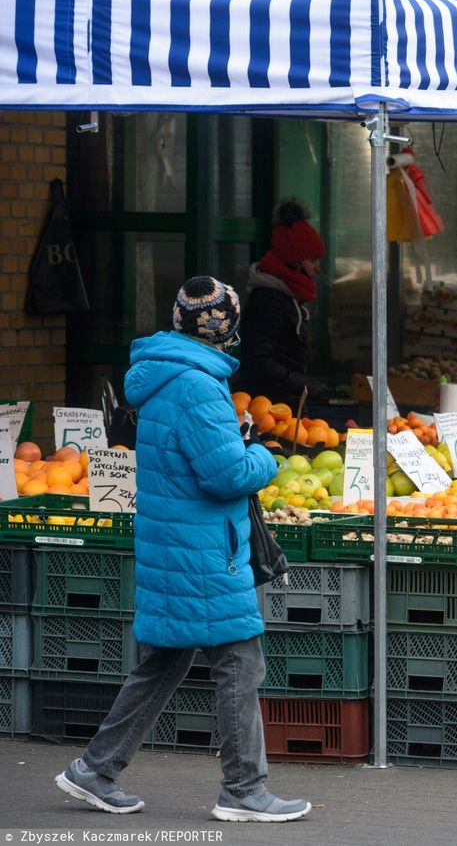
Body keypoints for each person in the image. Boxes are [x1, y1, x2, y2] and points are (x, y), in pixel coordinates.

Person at [54, 276, 312, 823]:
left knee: (164, 662)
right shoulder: (197, 385)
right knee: (240, 662)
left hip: (176, 544)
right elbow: (224, 474)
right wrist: (267, 456)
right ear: (228, 328)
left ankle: (95, 769)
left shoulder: (167, 375)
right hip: (203, 553)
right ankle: (243, 789)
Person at [237, 198, 328, 407]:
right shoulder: (268, 300)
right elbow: (258, 359)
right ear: (293, 260)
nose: (317, 268)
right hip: (265, 406)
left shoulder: (287, 296)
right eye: (312, 260)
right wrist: (300, 383)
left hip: (282, 403)